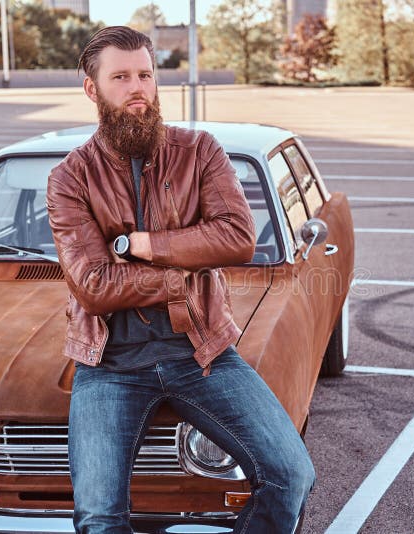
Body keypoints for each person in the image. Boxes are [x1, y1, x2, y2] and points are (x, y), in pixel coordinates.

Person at [46, 26, 315, 534]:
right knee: (99, 519)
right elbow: (94, 287)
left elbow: (238, 238)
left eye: (145, 74)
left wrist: (141, 245)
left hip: (202, 350)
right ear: (92, 89)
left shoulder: (200, 151)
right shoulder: (70, 177)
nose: (137, 88)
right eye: (121, 77)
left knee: (291, 474)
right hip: (109, 365)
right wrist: (182, 279)